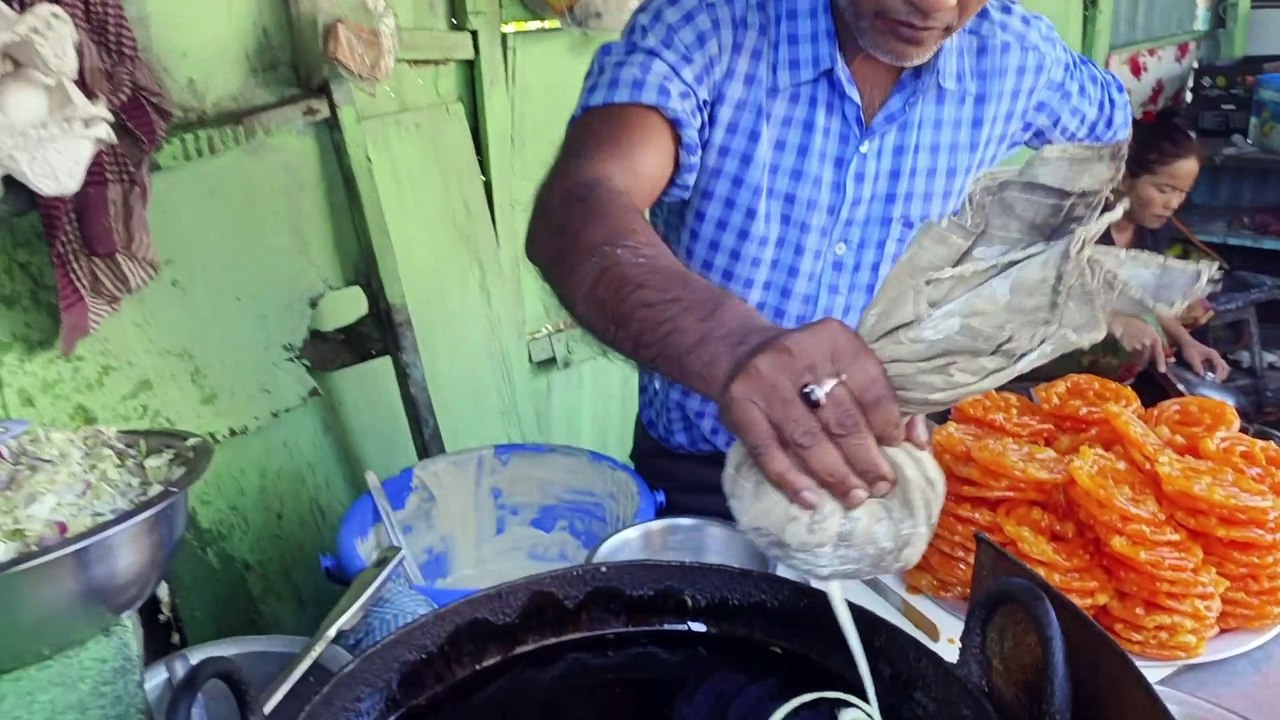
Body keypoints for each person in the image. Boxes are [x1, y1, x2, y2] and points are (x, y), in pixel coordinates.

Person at [526, 0, 1132, 519]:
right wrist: (733, 346)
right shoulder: (711, 24)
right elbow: (579, 210)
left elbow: (1112, 125)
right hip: (704, 478)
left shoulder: (1015, 56)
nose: (935, 5)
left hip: (888, 472)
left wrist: (1052, 264)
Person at [1083, 111, 1231, 384]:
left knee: (1193, 305)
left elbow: (1146, 297)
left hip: (1120, 311)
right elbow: (1055, 297)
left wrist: (1187, 342)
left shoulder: (1152, 229)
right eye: (1163, 190)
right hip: (1072, 325)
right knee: (1139, 333)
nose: (1173, 204)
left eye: (1182, 192)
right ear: (1124, 178)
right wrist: (1114, 320)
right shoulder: (1085, 228)